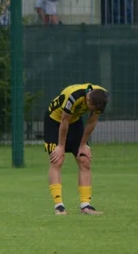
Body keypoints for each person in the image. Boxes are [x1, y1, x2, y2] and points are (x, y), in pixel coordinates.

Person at [43, 83, 109, 216]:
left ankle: (86, 206)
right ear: (88, 99)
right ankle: (59, 206)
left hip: (75, 122)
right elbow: (64, 121)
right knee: (57, 160)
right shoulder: (73, 97)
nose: (91, 111)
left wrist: (83, 144)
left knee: (84, 160)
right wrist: (61, 147)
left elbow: (91, 121)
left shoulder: (102, 98)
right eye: (91, 108)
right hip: (55, 121)